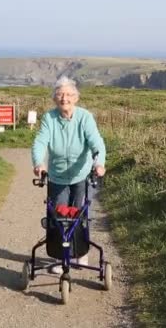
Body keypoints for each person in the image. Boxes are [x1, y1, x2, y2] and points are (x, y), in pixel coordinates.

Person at [31, 76, 106, 274]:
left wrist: (99, 164)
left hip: (81, 175)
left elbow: (96, 143)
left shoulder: (85, 117)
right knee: (59, 216)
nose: (64, 98)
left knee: (79, 214)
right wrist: (39, 163)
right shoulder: (49, 118)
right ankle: (60, 256)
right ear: (55, 98)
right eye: (60, 94)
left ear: (76, 98)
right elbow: (40, 142)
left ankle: (80, 252)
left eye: (69, 94)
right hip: (57, 176)